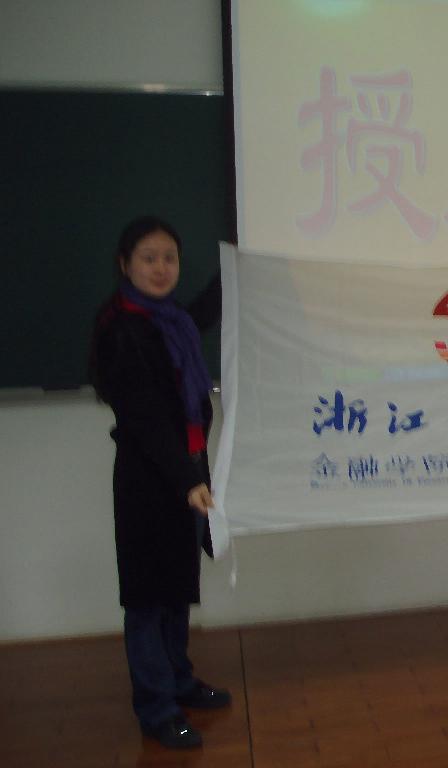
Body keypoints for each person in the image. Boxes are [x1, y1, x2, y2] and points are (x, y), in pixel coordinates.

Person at [88, 216, 230, 748]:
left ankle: (179, 680)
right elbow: (145, 416)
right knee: (148, 595)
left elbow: (203, 311)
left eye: (170, 257)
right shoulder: (121, 328)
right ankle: (156, 707)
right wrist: (185, 478)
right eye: (149, 258)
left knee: (175, 587)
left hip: (185, 471)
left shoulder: (170, 321)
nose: (161, 268)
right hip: (151, 477)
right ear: (125, 264)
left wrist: (241, 259)